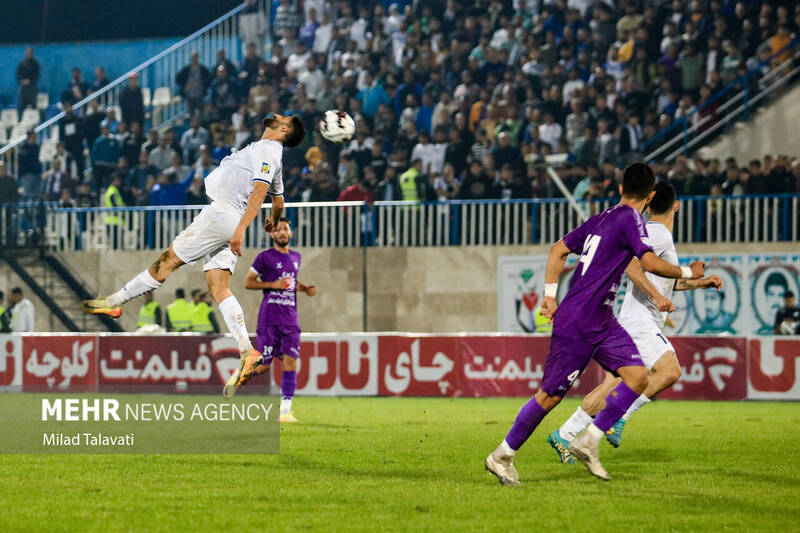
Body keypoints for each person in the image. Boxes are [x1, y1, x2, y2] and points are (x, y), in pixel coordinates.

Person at [484, 163, 705, 484]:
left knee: (637, 377)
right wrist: (688, 273)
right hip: (579, 320)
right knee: (549, 396)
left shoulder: (602, 218)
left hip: (601, 317)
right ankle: (501, 455)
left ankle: (587, 441)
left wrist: (548, 296)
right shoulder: (632, 219)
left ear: (619, 190)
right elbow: (648, 262)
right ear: (651, 195)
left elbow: (558, 249)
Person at [81, 114, 305, 391]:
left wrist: (240, 231)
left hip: (222, 214)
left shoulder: (270, 150)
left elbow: (260, 192)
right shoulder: (270, 152)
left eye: (283, 117)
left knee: (167, 261)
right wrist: (273, 219)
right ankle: (247, 350)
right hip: (229, 219)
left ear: (283, 129)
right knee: (219, 287)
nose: (277, 114)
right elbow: (277, 197)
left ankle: (116, 301)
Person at [548, 181, 723, 462]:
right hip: (640, 321)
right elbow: (629, 262)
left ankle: (565, 434)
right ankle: (618, 417)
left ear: (650, 203)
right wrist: (655, 294)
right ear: (676, 206)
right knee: (669, 371)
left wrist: (700, 283)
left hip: (635, 319)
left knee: (612, 385)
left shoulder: (658, 236)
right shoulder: (658, 233)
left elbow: (668, 284)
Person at [237, 217, 316, 421]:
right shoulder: (264, 257)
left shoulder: (296, 257)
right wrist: (273, 285)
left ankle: (285, 411)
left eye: (285, 229)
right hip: (269, 319)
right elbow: (248, 283)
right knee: (264, 366)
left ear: (290, 233)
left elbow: (290, 283)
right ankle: (244, 372)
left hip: (290, 320)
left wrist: (305, 288)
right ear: (272, 234)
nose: (282, 233)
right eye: (278, 230)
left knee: (290, 362)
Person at [16, 47, 40, 118]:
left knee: (33, 105)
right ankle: (20, 121)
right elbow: (18, 74)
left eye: (30, 52)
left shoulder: (36, 63)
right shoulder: (22, 63)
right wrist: (22, 80)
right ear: (25, 53)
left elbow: (37, 74)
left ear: (32, 53)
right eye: (27, 52)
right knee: (21, 106)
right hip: (23, 88)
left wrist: (29, 80)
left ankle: (35, 121)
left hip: (32, 88)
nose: (28, 54)